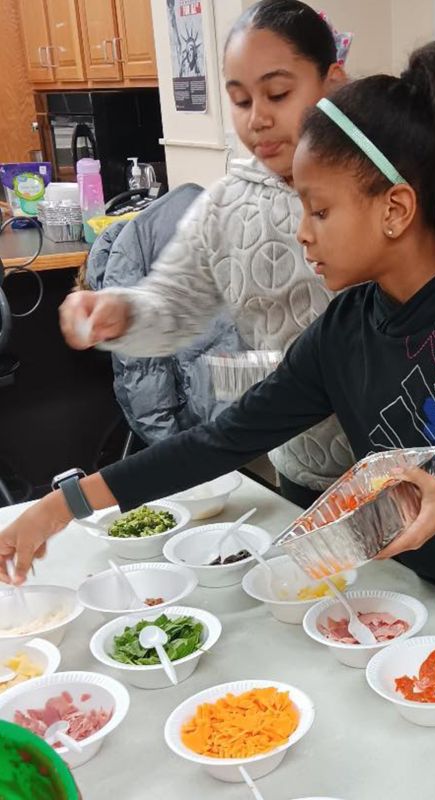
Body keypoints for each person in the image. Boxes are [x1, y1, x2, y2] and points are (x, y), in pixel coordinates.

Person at [3, 41, 435, 672]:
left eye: (320, 209)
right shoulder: (345, 331)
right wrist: (61, 506)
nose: (303, 231)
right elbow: (219, 442)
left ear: (395, 209)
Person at [58, 0, 354, 508]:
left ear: (333, 81)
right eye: (240, 101)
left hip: (405, 458)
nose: (258, 119)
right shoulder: (228, 205)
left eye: (278, 94)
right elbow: (174, 305)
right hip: (300, 465)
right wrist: (122, 312)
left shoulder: (382, 187)